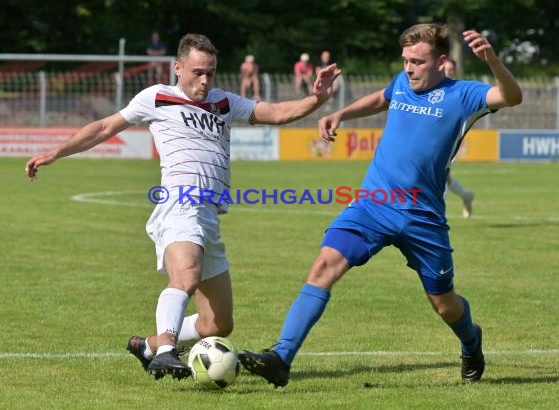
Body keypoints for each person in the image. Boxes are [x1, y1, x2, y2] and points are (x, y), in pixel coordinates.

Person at [25, 33, 341, 381]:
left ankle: (147, 347)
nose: (205, 80)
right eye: (197, 72)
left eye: (211, 72)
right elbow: (104, 127)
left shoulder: (223, 102)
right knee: (186, 274)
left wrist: (316, 99)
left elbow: (277, 112)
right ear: (178, 68)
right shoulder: (157, 97)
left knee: (218, 324)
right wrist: (56, 152)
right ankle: (165, 352)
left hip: (209, 215)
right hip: (179, 203)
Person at [238, 24, 522, 387]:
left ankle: (471, 341)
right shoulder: (402, 82)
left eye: (417, 62)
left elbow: (512, 97)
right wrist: (341, 114)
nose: (409, 68)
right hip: (374, 204)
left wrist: (492, 60)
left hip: (423, 217)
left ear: (441, 62)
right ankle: (281, 357)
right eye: (405, 60)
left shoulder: (464, 95)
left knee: (444, 304)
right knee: (324, 265)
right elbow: (382, 98)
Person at [444, 58, 475, 218]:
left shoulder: (459, 91)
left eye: (450, 70)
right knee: (446, 179)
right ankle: (466, 195)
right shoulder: (432, 88)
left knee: (439, 176)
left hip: (449, 142)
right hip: (432, 141)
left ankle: (435, 219)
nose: (447, 72)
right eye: (445, 69)